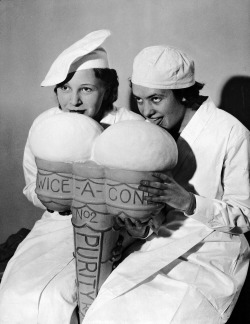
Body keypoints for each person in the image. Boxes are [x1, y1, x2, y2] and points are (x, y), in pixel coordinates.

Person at [83, 45, 250, 323]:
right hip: (160, 245)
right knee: (110, 309)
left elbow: (245, 215)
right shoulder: (150, 136)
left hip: (211, 251)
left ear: (184, 94)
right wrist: (140, 225)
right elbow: (154, 211)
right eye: (139, 100)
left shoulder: (231, 133)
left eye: (156, 99)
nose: (147, 111)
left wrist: (189, 202)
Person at [0, 30, 144, 324]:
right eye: (65, 89)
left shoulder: (130, 127)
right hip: (56, 225)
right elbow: (32, 185)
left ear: (108, 90)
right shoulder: (45, 124)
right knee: (16, 292)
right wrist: (52, 199)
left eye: (86, 89)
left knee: (67, 297)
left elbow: (141, 196)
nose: (73, 100)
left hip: (113, 228)